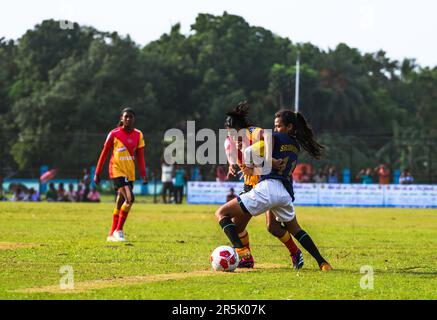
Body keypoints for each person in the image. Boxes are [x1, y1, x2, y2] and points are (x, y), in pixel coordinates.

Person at [216, 109, 332, 271]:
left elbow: (260, 144)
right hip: (282, 190)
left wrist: (263, 162)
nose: (275, 128)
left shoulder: (261, 133)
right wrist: (234, 164)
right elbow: (236, 152)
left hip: (264, 186)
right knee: (278, 227)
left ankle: (242, 251)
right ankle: (321, 262)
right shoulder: (295, 145)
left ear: (289, 127)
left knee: (224, 215)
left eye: (278, 126)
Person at [224, 101, 304, 270]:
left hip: (265, 182)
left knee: (273, 227)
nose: (231, 134)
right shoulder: (230, 140)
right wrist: (232, 164)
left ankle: (295, 252)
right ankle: (246, 258)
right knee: (237, 226)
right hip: (249, 185)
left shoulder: (255, 132)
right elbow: (230, 152)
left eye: (233, 130)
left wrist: (269, 160)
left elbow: (267, 137)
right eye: (228, 131)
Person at [94, 107, 148, 242]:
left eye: (131, 117)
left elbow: (140, 157)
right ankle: (119, 230)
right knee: (130, 199)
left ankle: (111, 233)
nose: (128, 119)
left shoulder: (138, 135)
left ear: (134, 119)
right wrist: (97, 172)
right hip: (116, 170)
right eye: (126, 117)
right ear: (121, 119)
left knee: (121, 201)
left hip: (129, 172)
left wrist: (143, 174)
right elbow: (104, 153)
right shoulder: (114, 134)